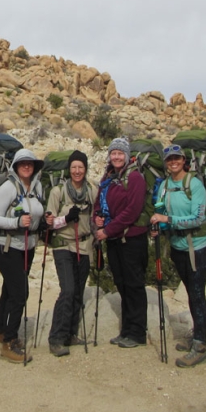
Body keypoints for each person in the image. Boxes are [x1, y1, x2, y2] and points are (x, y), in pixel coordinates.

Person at [149, 144, 206, 368]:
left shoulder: (194, 184)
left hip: (198, 246)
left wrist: (167, 221)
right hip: (178, 245)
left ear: (184, 160)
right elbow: (162, 211)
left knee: (197, 293)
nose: (173, 162)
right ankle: (197, 335)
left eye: (177, 158)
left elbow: (197, 218)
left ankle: (200, 345)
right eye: (169, 159)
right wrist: (159, 225)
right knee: (190, 291)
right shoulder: (165, 185)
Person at [0, 148, 46, 364]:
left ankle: (2, 332)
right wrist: (15, 223)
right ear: (15, 166)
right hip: (6, 246)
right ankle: (10, 342)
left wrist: (43, 221)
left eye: (30, 163)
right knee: (20, 292)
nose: (26, 166)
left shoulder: (37, 186)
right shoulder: (7, 188)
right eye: (22, 163)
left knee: (10, 289)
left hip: (28, 245)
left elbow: (36, 213)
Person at [94, 138, 149, 349]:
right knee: (122, 283)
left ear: (127, 155)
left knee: (134, 285)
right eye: (113, 153)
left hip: (131, 239)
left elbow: (132, 211)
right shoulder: (108, 177)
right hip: (114, 239)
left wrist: (107, 230)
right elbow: (99, 202)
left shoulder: (134, 177)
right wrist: (97, 218)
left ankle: (137, 332)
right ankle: (127, 329)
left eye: (120, 153)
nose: (116, 157)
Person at [44, 150, 96, 357]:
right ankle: (56, 338)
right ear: (69, 169)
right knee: (67, 290)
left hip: (85, 245)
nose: (77, 171)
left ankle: (70, 333)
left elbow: (96, 216)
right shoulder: (58, 192)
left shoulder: (92, 190)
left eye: (80, 167)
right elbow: (50, 223)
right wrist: (66, 219)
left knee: (78, 291)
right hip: (63, 245)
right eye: (74, 167)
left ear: (85, 169)